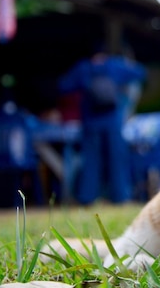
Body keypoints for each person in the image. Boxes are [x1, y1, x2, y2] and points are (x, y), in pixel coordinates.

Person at [59, 47, 146, 204]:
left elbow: (63, 86)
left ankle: (87, 198)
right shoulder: (113, 65)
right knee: (117, 160)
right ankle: (120, 197)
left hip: (90, 121)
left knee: (91, 160)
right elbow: (140, 73)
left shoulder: (83, 68)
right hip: (112, 121)